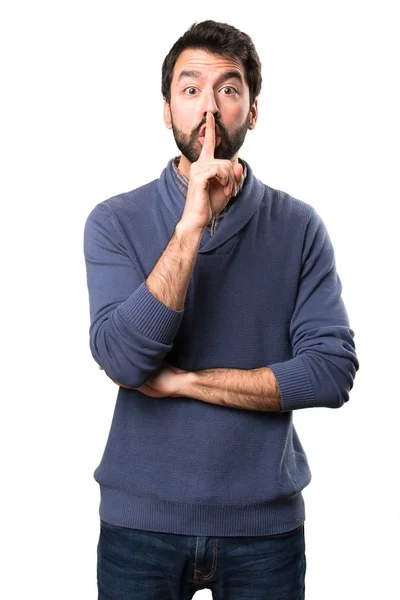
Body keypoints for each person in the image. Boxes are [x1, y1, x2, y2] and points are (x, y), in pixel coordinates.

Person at [83, 19, 359, 600]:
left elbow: (332, 372)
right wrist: (190, 225)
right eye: (191, 90)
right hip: (140, 525)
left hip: (264, 529)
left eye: (228, 90)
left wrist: (186, 383)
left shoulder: (298, 226)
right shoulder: (114, 221)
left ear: (252, 111)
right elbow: (127, 361)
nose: (209, 109)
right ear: (166, 110)